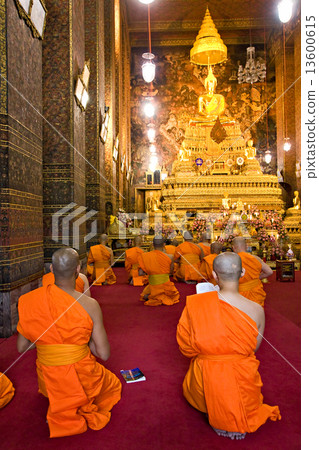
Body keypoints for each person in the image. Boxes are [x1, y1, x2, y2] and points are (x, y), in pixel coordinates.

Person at [16, 248, 121, 438]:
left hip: (48, 381)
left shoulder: (29, 301)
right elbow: (104, 354)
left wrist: (50, 343)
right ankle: (75, 403)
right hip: (82, 378)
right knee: (112, 384)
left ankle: (61, 404)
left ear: (50, 269)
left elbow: (21, 347)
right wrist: (81, 340)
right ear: (78, 269)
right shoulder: (89, 305)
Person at [177, 252, 281, 440]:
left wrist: (212, 346)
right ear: (242, 273)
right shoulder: (257, 310)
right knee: (241, 370)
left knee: (203, 373)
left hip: (205, 376)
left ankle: (213, 408)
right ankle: (232, 412)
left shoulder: (196, 304)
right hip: (241, 373)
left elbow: (186, 348)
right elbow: (253, 349)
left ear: (214, 275)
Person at [138, 236, 180, 306]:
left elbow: (140, 273)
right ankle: (159, 296)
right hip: (166, 286)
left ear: (153, 245)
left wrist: (152, 272)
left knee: (144, 295)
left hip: (153, 285)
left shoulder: (145, 256)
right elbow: (171, 272)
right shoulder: (170, 256)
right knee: (174, 296)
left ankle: (153, 296)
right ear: (164, 245)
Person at [232, 237, 273, 307]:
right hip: (255, 292)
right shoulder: (256, 258)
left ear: (233, 247)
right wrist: (256, 278)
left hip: (239, 292)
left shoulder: (232, 260)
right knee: (256, 312)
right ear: (247, 246)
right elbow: (269, 272)